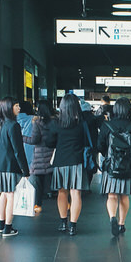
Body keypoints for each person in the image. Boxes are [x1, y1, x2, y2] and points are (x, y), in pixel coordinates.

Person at [98, 97, 131, 236]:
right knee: (124, 196)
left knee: (112, 196)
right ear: (129, 110)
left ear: (115, 109)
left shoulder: (106, 126)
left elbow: (100, 146)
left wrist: (107, 155)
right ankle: (121, 224)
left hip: (111, 166)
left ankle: (112, 217)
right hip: (128, 167)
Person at [0, 96, 29, 237]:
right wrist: (25, 170)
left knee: (3, 194)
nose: (19, 108)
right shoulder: (13, 125)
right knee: (11, 195)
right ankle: (8, 228)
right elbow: (18, 150)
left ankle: (1, 224)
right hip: (9, 165)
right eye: (16, 106)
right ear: (9, 108)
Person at [47, 93, 86, 235]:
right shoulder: (81, 124)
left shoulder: (56, 124)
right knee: (76, 193)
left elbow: (49, 142)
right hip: (76, 161)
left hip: (60, 162)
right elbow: (86, 142)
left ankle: (63, 222)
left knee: (62, 192)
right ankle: (73, 225)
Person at [28, 100, 55, 212]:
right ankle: (53, 195)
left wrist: (23, 138)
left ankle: (38, 204)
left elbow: (34, 139)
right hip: (52, 154)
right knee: (50, 177)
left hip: (39, 156)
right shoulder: (55, 121)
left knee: (37, 179)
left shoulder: (37, 123)